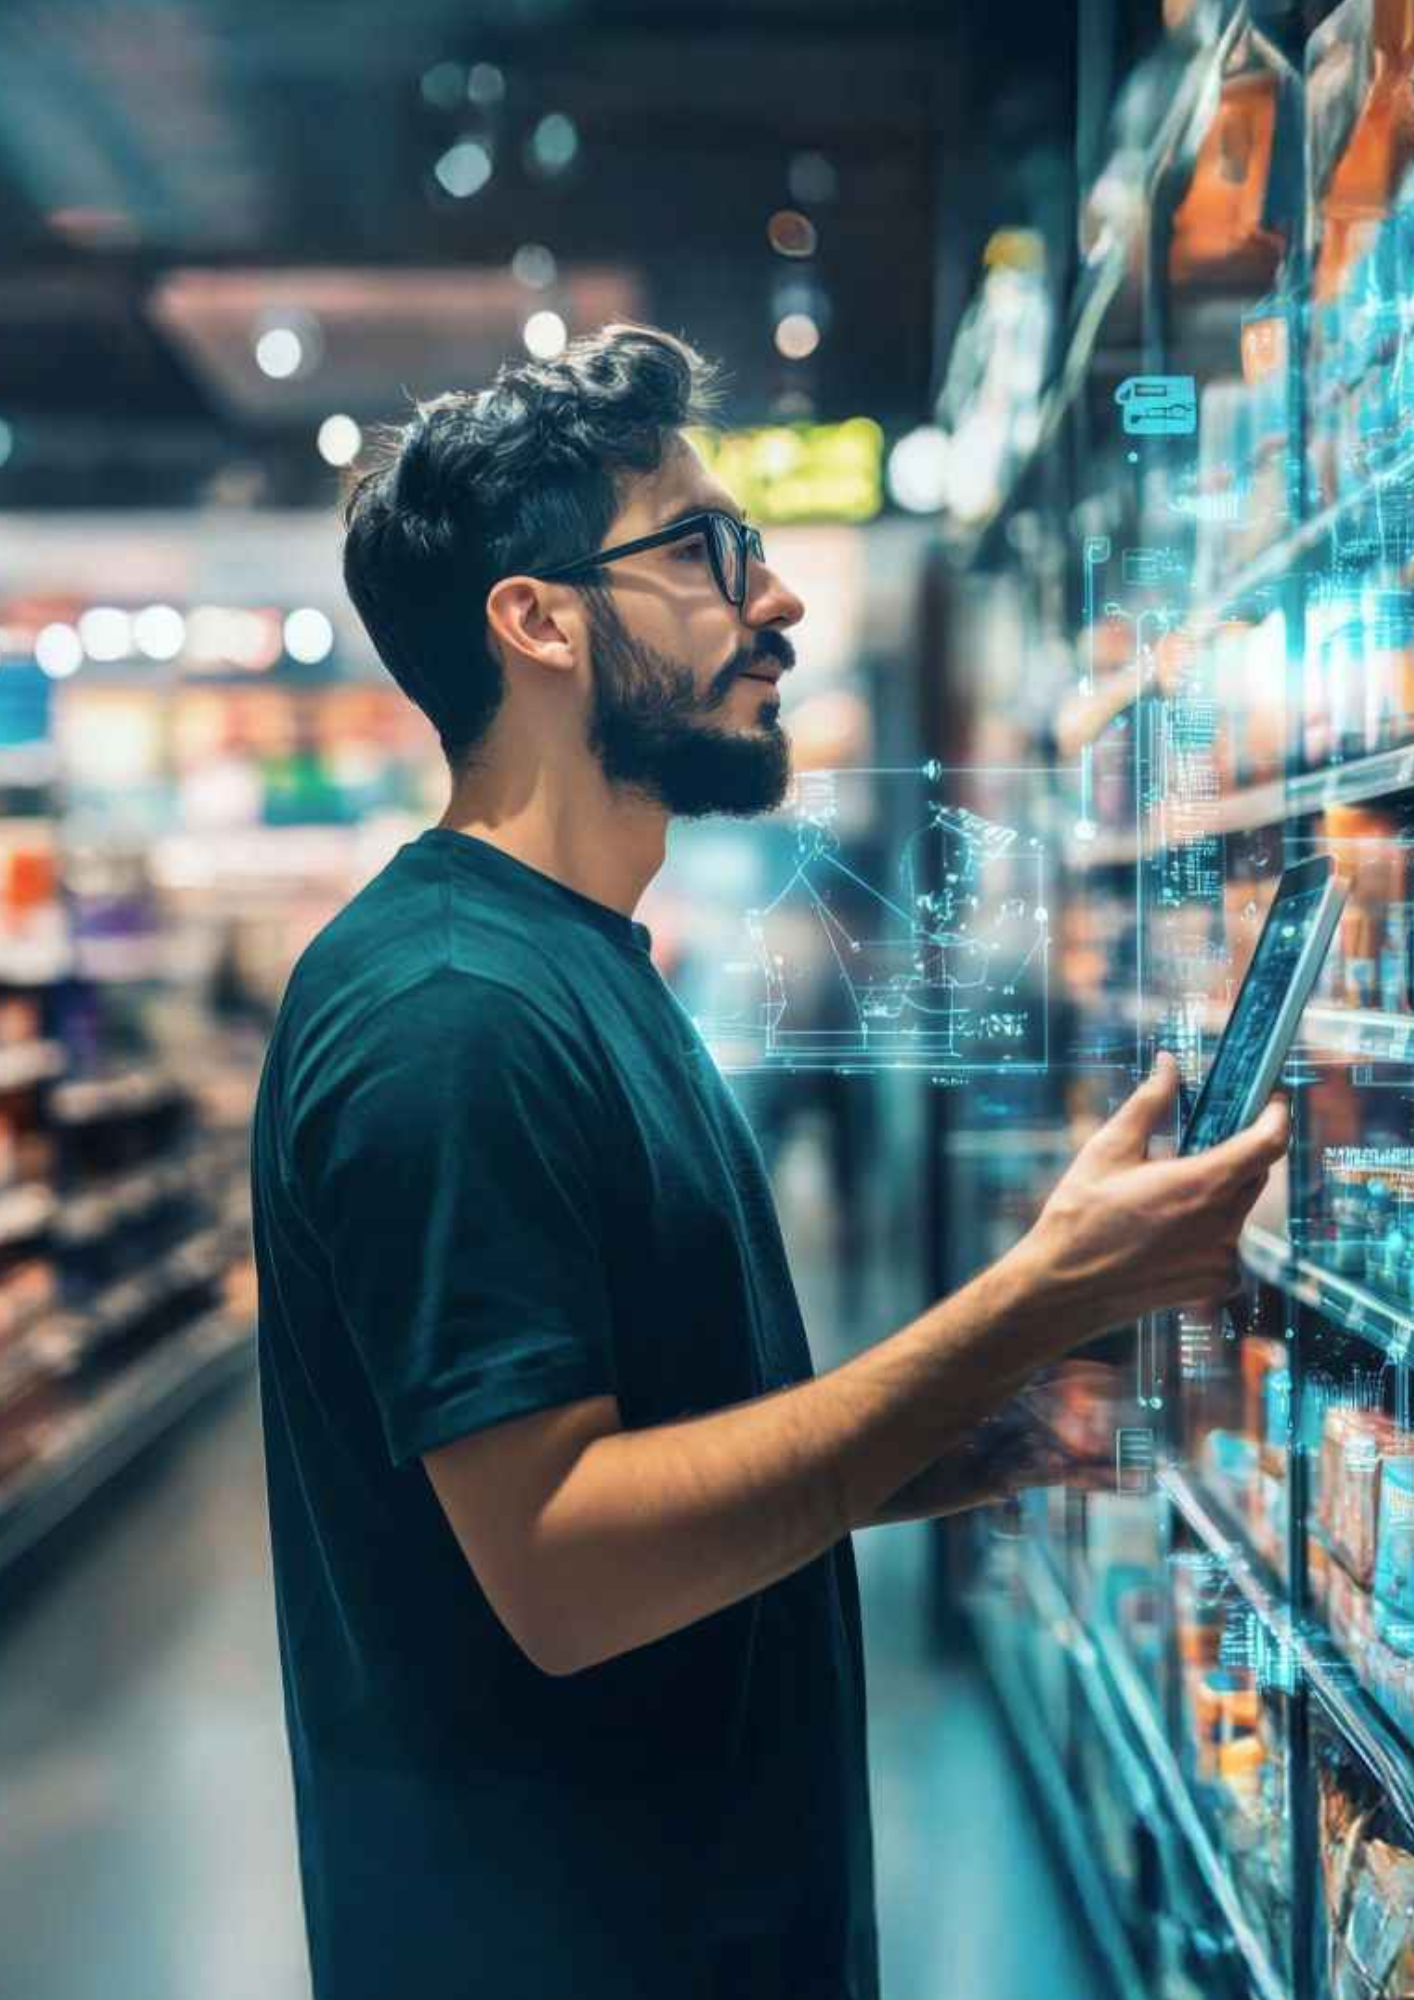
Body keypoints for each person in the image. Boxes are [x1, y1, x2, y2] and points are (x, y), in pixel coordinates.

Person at [250, 323, 1288, 2000]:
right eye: (708, 551)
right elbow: (567, 1569)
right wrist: (1037, 1297)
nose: (776, 600)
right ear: (539, 621)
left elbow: (670, 1453)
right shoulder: (448, 1016)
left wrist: (975, 1440)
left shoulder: (574, 964)